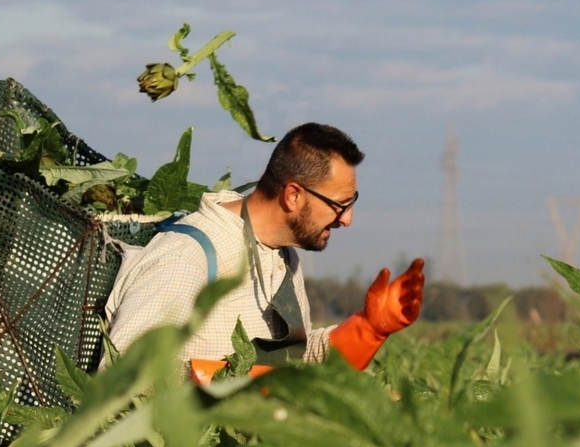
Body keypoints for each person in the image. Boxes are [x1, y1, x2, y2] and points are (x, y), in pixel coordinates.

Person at [104, 122, 424, 379]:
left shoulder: (284, 256)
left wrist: (368, 329)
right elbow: (122, 372)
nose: (347, 219)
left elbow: (298, 363)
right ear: (293, 196)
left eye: (351, 203)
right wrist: (233, 383)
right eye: (338, 205)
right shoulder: (188, 255)